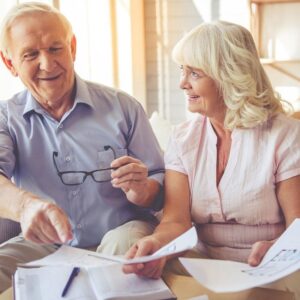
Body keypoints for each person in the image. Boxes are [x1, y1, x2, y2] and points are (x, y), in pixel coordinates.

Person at [123, 21, 300, 298]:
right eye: (183, 71)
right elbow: (176, 221)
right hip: (206, 265)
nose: (183, 83)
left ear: (229, 76)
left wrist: (277, 248)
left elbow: (297, 228)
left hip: (273, 266)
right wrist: (156, 243)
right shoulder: (183, 139)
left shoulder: (284, 136)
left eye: (194, 73)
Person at [0, 2, 164, 292]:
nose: (47, 64)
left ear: (72, 47)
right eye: (30, 54)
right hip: (43, 245)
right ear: (10, 63)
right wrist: (26, 207)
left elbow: (162, 188)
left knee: (121, 256)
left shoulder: (123, 107)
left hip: (120, 233)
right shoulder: (6, 118)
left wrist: (144, 190)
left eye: (55, 48)